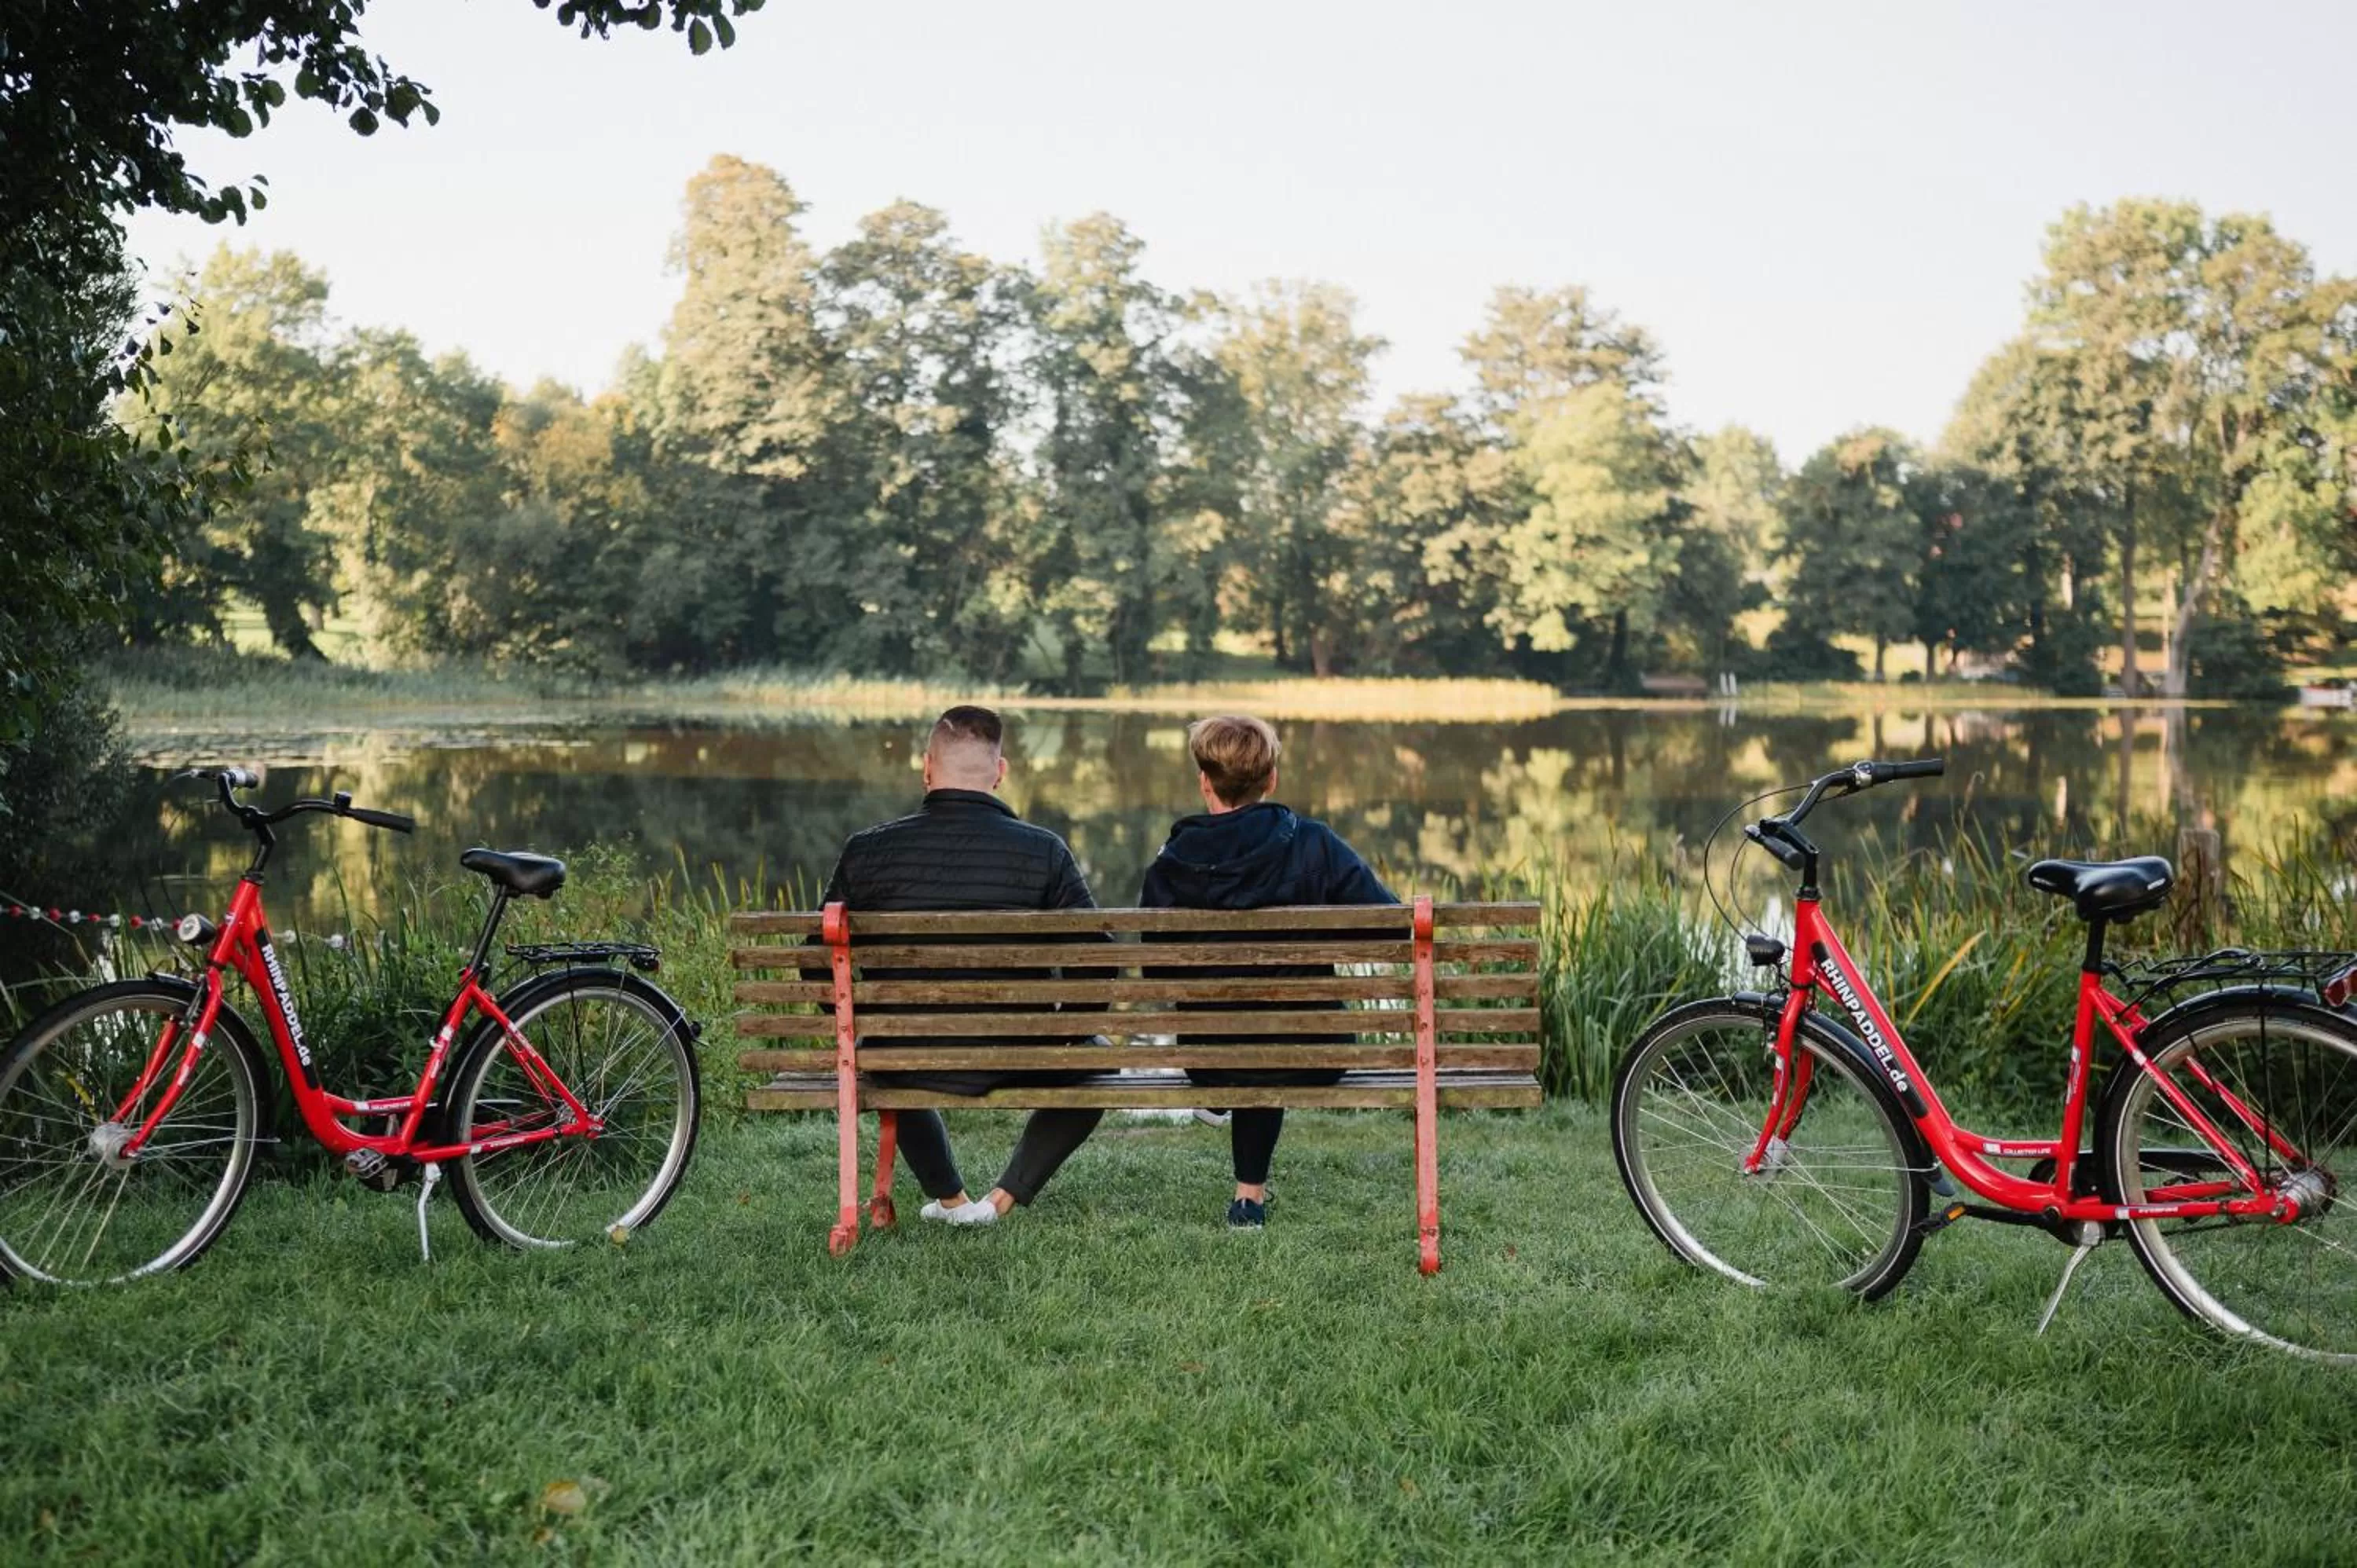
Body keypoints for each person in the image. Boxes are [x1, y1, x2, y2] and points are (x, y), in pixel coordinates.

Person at [816, 705, 1107, 1226]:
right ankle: (996, 1203)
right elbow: (1098, 960)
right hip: (1019, 1053)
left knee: (878, 1054)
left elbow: (817, 964)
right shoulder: (1044, 852)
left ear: (927, 768)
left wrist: (857, 1026)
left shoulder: (868, 852)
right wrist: (1068, 1030)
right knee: (1098, 1059)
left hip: (902, 1050)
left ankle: (953, 1201)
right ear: (1000, 773)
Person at [1138, 714, 1397, 1229]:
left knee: (1251, 1040)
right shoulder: (1314, 843)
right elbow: (1390, 927)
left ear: (1204, 781)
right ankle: (1248, 1198)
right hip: (1314, 1053)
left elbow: (1154, 967)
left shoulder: (1172, 861)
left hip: (1210, 1059)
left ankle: (1246, 1187)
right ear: (1271, 780)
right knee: (1276, 1032)